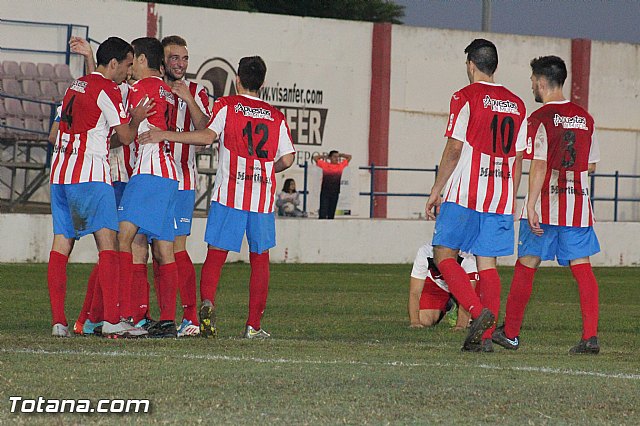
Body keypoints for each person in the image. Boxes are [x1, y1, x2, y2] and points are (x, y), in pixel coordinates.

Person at [139, 56, 295, 339]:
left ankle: (208, 301)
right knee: (260, 260)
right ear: (263, 83)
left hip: (230, 193)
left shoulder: (227, 105)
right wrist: (266, 169)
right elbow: (288, 157)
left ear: (237, 80)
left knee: (216, 255)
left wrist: (164, 134)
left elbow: (206, 137)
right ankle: (253, 326)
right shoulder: (276, 116)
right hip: (261, 197)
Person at [492, 56, 601, 354]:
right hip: (578, 204)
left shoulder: (538, 119)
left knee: (527, 263)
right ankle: (590, 336)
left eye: (531, 80)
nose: (531, 85)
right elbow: (590, 164)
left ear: (541, 82)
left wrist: (530, 204)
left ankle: (511, 333)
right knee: (582, 267)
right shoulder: (585, 118)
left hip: (546, 203)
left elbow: (538, 164)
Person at [425, 38, 527, 352]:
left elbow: (454, 149)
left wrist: (436, 189)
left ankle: (475, 310)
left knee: (444, 255)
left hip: (466, 192)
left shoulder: (465, 96)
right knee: (487, 264)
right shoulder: (518, 103)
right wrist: (510, 196)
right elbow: (520, 159)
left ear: (471, 64)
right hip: (500, 194)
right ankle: (484, 339)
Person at [47, 36, 153, 338]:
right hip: (90, 176)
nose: (129, 72)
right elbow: (127, 136)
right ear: (115, 63)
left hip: (61, 175)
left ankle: (59, 322)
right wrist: (135, 119)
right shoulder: (107, 89)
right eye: (128, 65)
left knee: (61, 245)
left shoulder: (74, 86)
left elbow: (56, 134)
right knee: (109, 246)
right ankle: (110, 319)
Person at [116, 37, 180, 338]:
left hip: (149, 172)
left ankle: (125, 315)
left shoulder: (140, 90)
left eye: (132, 60)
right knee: (162, 248)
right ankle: (167, 319)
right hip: (169, 174)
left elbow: (124, 130)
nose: (130, 67)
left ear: (142, 59)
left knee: (122, 241)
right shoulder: (168, 92)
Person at [161, 35, 211, 337]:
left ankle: (190, 317)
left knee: (176, 247)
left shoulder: (198, 91)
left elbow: (206, 129)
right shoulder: (153, 86)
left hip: (182, 180)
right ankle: (161, 315)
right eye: (174, 58)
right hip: (153, 179)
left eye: (184, 58)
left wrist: (189, 99)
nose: (180, 64)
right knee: (156, 248)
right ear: (163, 60)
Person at [408, 243, 477, 330]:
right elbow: (415, 292)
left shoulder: (468, 256)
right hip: (438, 285)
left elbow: (468, 294)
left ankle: (459, 307)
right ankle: (449, 305)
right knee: (424, 320)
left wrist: (460, 325)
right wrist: (415, 322)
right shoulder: (426, 252)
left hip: (463, 287)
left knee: (479, 318)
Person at [312, 150, 351, 219]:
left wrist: (342, 155)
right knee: (323, 213)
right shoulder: (325, 165)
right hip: (325, 192)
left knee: (331, 213)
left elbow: (349, 157)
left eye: (338, 157)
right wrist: (325, 156)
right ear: (330, 158)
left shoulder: (340, 166)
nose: (336, 158)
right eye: (334, 157)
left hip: (335, 192)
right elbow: (315, 158)